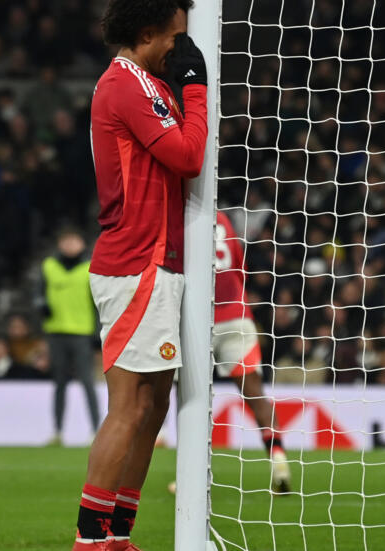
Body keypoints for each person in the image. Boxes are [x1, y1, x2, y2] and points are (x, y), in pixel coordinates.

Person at [71, 0, 208, 549]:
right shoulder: (124, 85)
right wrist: (195, 89)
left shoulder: (147, 84)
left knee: (152, 408)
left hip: (159, 263)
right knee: (128, 408)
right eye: (177, 38)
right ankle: (89, 539)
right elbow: (186, 155)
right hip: (135, 263)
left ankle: (117, 533)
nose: (183, 48)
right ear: (148, 34)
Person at [212, 211, 291, 491]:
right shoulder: (223, 219)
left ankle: (189, 474)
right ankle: (278, 456)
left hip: (202, 317)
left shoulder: (184, 215)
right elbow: (240, 268)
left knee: (191, 397)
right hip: (238, 315)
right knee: (255, 394)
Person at [37, 226, 101, 446]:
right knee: (59, 383)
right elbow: (39, 294)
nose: (70, 245)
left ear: (82, 244)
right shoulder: (49, 266)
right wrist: (41, 307)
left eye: (74, 241)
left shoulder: (91, 267)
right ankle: (57, 431)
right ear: (60, 244)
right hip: (56, 332)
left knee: (87, 382)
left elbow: (98, 303)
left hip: (82, 332)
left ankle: (96, 430)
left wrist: (96, 332)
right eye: (66, 241)